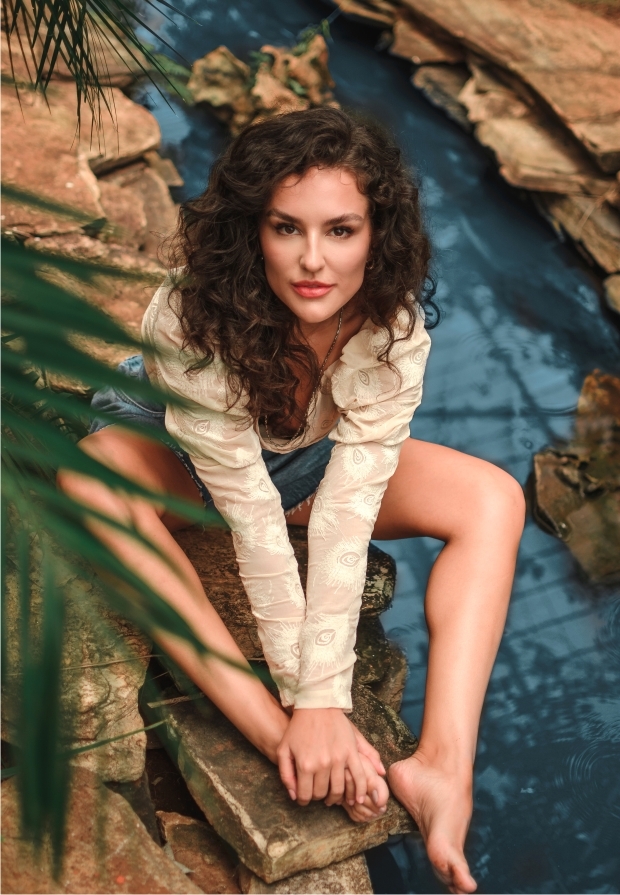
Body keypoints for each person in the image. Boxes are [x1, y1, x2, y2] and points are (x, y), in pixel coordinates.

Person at [58, 108, 525, 895]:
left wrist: (327, 699)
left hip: (305, 465)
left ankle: (444, 767)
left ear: (376, 234)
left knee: (492, 498)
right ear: (254, 230)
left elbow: (346, 511)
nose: (314, 260)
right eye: (287, 228)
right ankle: (272, 735)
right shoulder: (189, 320)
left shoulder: (392, 331)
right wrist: (309, 713)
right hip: (182, 456)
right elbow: (251, 521)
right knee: (92, 475)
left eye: (341, 230)